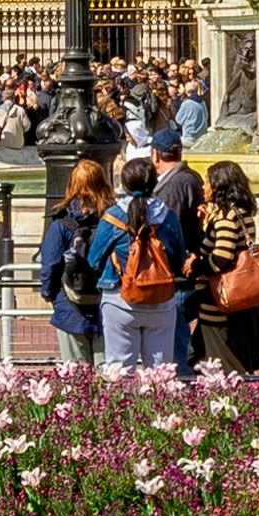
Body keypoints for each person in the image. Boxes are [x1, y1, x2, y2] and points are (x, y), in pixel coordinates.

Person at [97, 159, 199, 372]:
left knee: (119, 373)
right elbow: (179, 259)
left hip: (119, 299)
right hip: (161, 301)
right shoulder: (168, 217)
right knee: (160, 375)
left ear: (124, 185)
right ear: (154, 183)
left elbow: (93, 258)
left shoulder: (113, 217)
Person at [194, 159, 259, 376]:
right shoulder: (242, 212)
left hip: (219, 306)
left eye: (207, 182)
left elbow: (221, 257)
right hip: (242, 305)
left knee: (220, 365)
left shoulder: (226, 218)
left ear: (219, 185)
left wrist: (196, 267)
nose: (204, 187)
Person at [38, 155, 108, 367]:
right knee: (110, 378)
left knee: (77, 379)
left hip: (69, 306)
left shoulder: (63, 221)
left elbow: (50, 263)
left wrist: (48, 292)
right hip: (106, 305)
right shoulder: (111, 218)